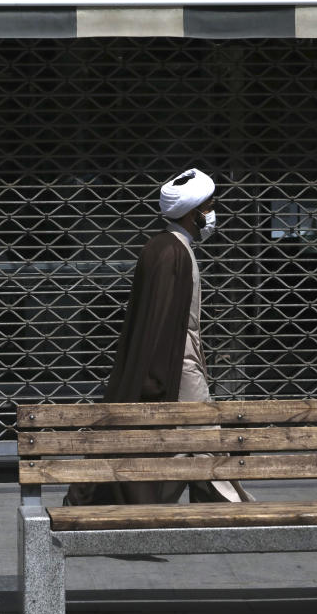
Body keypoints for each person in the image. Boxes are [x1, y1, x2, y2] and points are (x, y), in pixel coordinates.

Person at [65, 168, 253, 506]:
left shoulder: (166, 247)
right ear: (195, 213)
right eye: (209, 207)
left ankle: (205, 502)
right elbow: (164, 320)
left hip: (178, 361)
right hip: (178, 364)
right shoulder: (171, 251)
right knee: (203, 435)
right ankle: (229, 507)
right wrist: (160, 375)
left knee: (193, 439)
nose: (213, 215)